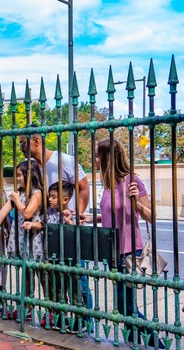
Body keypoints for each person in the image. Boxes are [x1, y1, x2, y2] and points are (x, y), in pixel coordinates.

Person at [81, 139, 164, 348]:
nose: (95, 160)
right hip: (112, 251)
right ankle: (135, 342)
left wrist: (137, 202)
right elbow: (112, 215)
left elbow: (151, 216)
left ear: (109, 157)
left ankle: (156, 345)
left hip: (129, 252)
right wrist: (93, 219)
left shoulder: (131, 180)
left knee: (127, 307)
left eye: (98, 155)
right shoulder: (108, 184)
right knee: (124, 305)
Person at [19, 126, 93, 320]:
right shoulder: (33, 166)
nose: (20, 147)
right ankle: (59, 317)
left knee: (78, 278)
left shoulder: (63, 161)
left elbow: (83, 186)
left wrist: (78, 214)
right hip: (47, 229)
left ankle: (86, 322)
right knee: (55, 277)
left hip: (69, 228)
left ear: (36, 141)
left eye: (22, 143)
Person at [0, 159, 44, 320]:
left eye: (20, 175)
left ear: (29, 175)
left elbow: (28, 213)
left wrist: (16, 200)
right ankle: (26, 308)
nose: (18, 179)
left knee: (42, 275)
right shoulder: (19, 193)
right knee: (27, 275)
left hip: (34, 240)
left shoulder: (37, 193)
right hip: (21, 239)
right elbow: (2, 213)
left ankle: (52, 310)